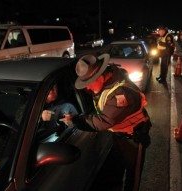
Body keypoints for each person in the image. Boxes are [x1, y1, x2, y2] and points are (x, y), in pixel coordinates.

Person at [60, 54, 152, 191]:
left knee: (132, 178)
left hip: (134, 138)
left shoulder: (121, 94)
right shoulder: (109, 79)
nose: (88, 88)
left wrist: (74, 120)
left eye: (89, 83)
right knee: (116, 172)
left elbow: (103, 122)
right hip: (119, 135)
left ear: (101, 75)